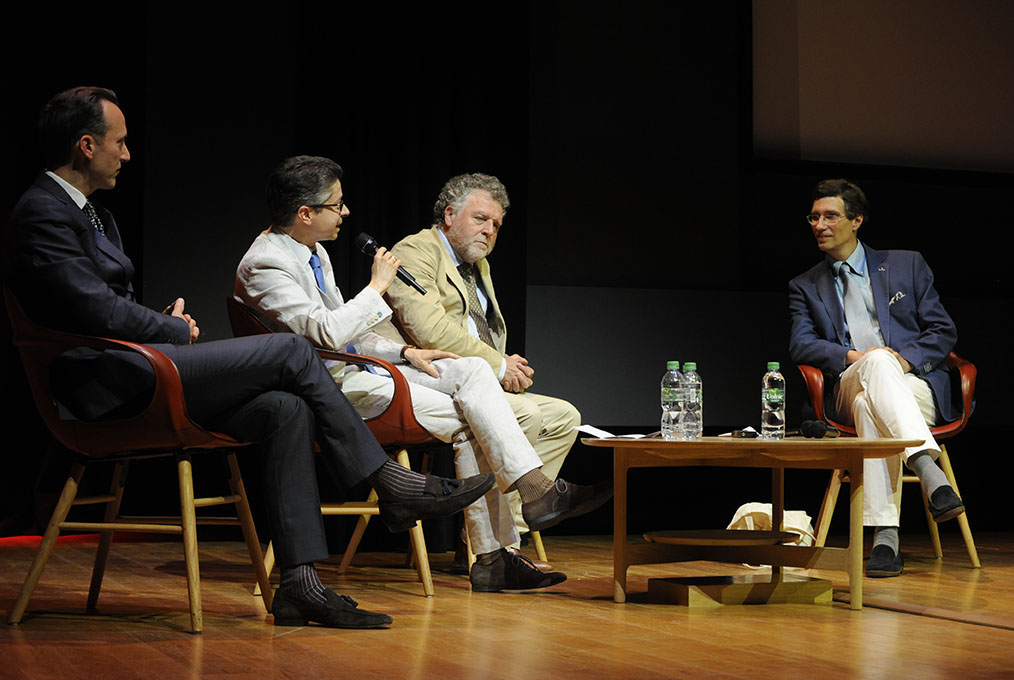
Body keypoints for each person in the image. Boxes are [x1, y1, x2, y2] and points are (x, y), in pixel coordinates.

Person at [5, 87, 493, 628]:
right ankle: (391, 484)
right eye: (119, 143)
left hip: (133, 364)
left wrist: (164, 319)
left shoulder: (94, 215)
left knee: (286, 408)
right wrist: (168, 327)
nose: (127, 154)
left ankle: (301, 585)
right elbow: (87, 307)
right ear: (86, 145)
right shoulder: (43, 213)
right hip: (102, 387)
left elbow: (102, 303)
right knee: (289, 347)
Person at [235, 156, 611, 591]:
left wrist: (405, 350)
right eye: (336, 205)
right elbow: (326, 332)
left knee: (470, 372)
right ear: (305, 213)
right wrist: (376, 287)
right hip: (328, 390)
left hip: (363, 369)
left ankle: (532, 491)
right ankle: (493, 554)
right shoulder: (265, 263)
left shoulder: (313, 251)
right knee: (476, 417)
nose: (345, 212)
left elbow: (349, 332)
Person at [381, 173, 597, 544]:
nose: (489, 231)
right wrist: (498, 366)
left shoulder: (477, 265)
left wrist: (504, 366)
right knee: (525, 414)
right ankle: (499, 546)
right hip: (418, 377)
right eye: (480, 219)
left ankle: (509, 524)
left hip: (471, 375)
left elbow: (478, 328)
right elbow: (429, 329)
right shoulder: (416, 251)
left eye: (496, 224)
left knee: (564, 417)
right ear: (449, 215)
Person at [788, 178, 965, 577]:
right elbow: (801, 345)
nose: (820, 225)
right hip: (848, 385)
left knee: (875, 401)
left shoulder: (907, 264)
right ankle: (926, 465)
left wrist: (899, 362)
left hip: (911, 384)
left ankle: (885, 537)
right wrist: (855, 356)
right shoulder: (805, 285)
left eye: (830, 216)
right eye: (814, 217)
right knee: (873, 369)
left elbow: (942, 331)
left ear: (857, 221)